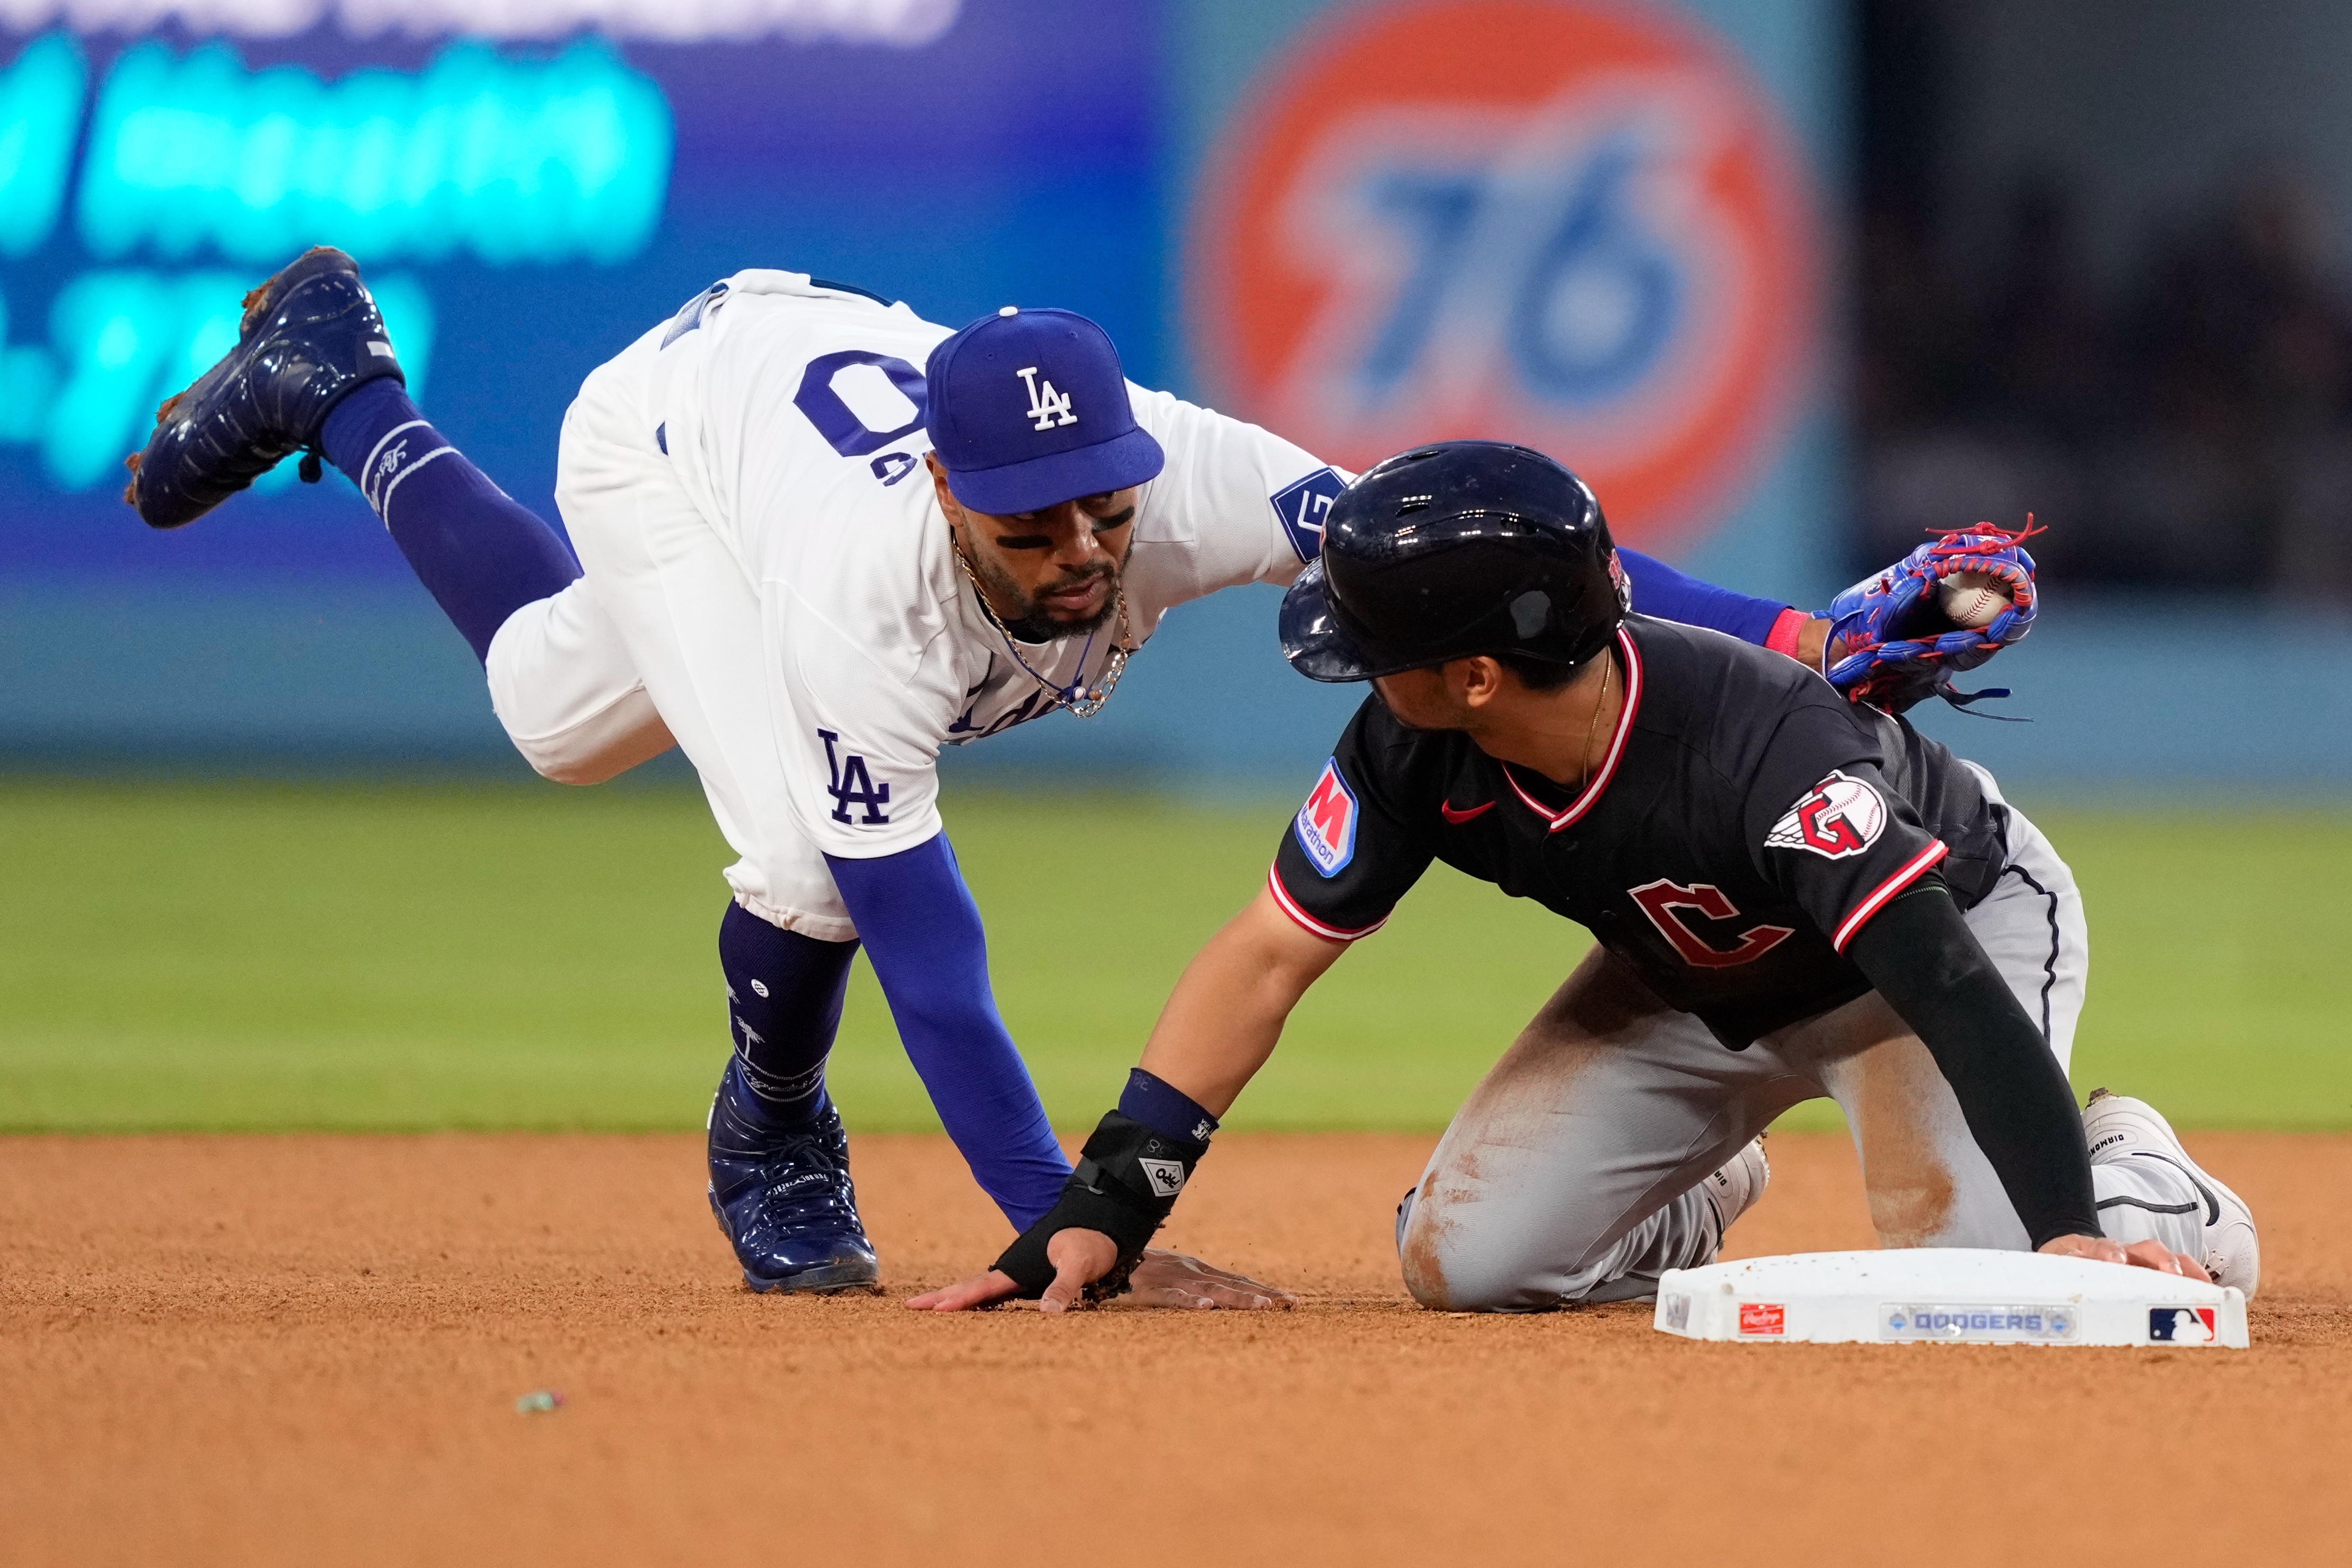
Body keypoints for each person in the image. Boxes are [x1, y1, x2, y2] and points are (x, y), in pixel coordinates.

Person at [128, 250, 1997, 1302]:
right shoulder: (864, 604)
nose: (1087, 548)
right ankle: (769, 1119)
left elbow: (1502, 552)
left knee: (553, 708)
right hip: (671, 440)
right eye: (1031, 523)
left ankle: (337, 386)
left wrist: (1799, 634)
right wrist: (1069, 1223)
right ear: (950, 491)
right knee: (794, 852)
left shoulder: (1177, 474)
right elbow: (927, 952)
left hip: (784, 385)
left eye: (1102, 501)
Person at [909, 441, 2259, 1315]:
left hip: (1928, 947)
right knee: (1467, 1266)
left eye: (1373, 644)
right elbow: (1267, 954)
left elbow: (1949, 983)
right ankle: (1692, 1190)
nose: (1354, 667)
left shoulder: (1764, 745)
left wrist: (2063, 1228)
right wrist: (1110, 1202)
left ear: (1474, 675)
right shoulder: (1407, 745)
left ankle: (2135, 1175)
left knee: (1990, 1283)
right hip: (1688, 967)